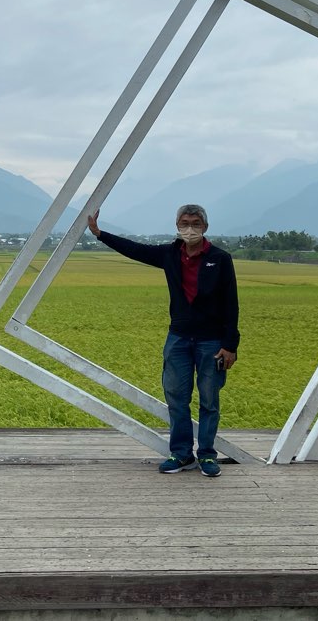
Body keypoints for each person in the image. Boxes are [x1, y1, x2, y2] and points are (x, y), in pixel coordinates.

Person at [86, 203, 238, 477]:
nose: (189, 228)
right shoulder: (170, 254)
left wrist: (230, 345)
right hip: (178, 338)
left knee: (209, 400)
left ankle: (206, 456)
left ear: (205, 226)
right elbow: (135, 250)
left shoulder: (220, 258)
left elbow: (231, 304)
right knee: (177, 398)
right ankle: (181, 454)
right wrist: (100, 234)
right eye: (184, 223)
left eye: (195, 223)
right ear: (177, 226)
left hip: (211, 341)